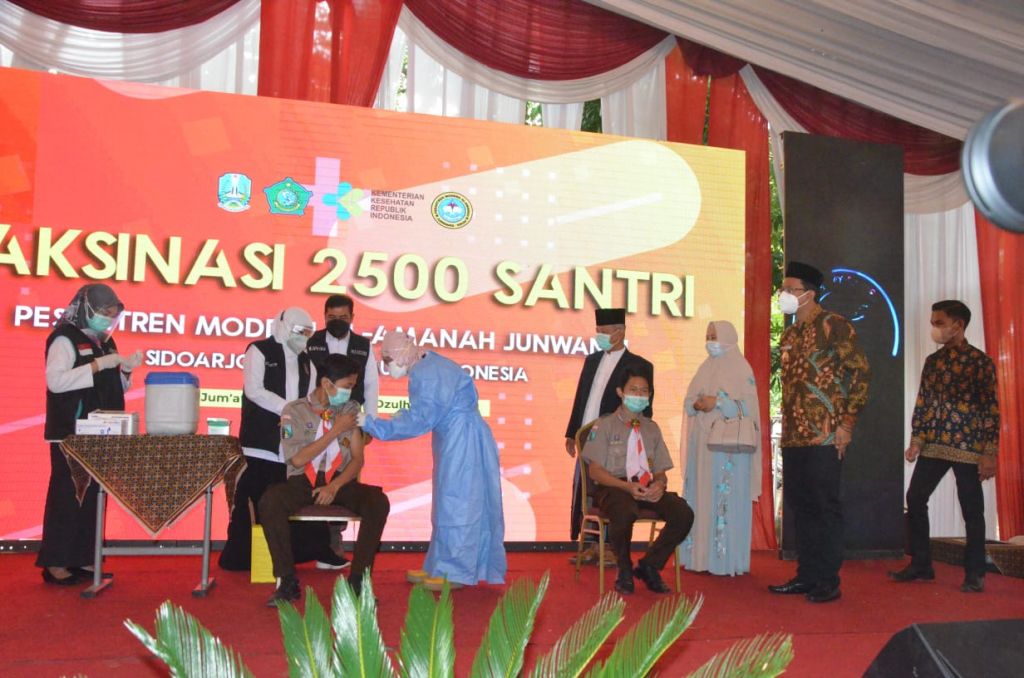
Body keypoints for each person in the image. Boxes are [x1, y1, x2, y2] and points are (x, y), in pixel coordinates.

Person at [360, 331, 506, 590]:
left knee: (458, 503)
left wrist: (373, 425)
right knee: (446, 503)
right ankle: (438, 565)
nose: (386, 366)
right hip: (456, 437)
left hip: (463, 439)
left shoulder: (427, 373)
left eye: (388, 360)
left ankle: (455, 572)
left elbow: (419, 419)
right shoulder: (427, 365)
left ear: (402, 354)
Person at [769, 261, 870, 604]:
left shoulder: (834, 325)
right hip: (793, 434)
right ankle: (807, 575)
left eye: (790, 289)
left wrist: (847, 424)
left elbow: (860, 373)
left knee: (824, 506)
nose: (783, 294)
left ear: (809, 293)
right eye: (783, 289)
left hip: (825, 433)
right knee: (801, 507)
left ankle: (828, 580)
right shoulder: (789, 334)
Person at [219, 307, 344, 572]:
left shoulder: (307, 361)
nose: (304, 338)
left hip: (294, 445)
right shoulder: (259, 350)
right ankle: (241, 559)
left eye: (308, 333)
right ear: (284, 327)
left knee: (299, 498)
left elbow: (311, 398)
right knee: (254, 499)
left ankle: (316, 552)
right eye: (300, 332)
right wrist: (288, 410)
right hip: (262, 442)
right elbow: (254, 390)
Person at [260, 355, 390, 605]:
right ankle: (286, 581)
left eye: (353, 386)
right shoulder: (294, 411)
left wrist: (334, 486)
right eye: (347, 386)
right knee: (271, 501)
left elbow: (357, 459)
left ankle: (358, 582)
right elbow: (298, 459)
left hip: (340, 480)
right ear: (327, 383)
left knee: (377, 501)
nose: (350, 391)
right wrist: (335, 430)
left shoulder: (350, 410)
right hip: (302, 481)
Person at [889, 300, 999, 593]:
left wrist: (989, 453)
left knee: (972, 510)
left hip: (968, 447)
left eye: (939, 323)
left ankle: (975, 573)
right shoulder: (933, 362)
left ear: (958, 325)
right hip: (935, 444)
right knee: (915, 497)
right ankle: (921, 564)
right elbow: (924, 402)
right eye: (933, 323)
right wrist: (916, 440)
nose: (934, 328)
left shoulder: (981, 363)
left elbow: (990, 409)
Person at [38, 284, 142, 585]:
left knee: (93, 499)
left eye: (112, 314)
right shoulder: (64, 338)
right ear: (86, 309)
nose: (108, 318)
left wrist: (125, 371)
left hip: (102, 432)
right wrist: (97, 365)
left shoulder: (105, 342)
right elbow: (56, 382)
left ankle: (84, 558)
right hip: (70, 433)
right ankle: (56, 563)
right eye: (104, 312)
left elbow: (114, 388)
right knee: (67, 498)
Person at [581, 366, 694, 594]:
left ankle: (650, 565)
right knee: (624, 511)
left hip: (645, 485)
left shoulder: (652, 428)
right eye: (634, 390)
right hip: (614, 486)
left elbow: (660, 470)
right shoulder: (603, 426)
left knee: (683, 512)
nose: (639, 395)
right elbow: (595, 471)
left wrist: (659, 484)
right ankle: (624, 570)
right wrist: (626, 486)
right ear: (620, 392)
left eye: (644, 391)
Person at [565, 307, 654, 566]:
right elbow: (581, 398)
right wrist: (571, 433)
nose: (600, 336)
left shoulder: (638, 365)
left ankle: (612, 549)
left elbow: (645, 407)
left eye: (605, 332)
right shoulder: (592, 360)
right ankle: (591, 546)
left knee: (612, 492)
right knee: (587, 492)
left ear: (620, 332)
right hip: (587, 438)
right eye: (598, 331)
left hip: (618, 441)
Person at [681, 320, 761, 576]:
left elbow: (749, 408)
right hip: (702, 447)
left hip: (728, 450)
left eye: (714, 336)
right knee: (702, 496)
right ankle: (700, 557)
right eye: (708, 336)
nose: (710, 341)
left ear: (728, 336)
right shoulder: (705, 367)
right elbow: (689, 401)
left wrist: (718, 402)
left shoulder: (741, 367)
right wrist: (696, 404)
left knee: (724, 499)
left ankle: (725, 560)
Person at [305, 294, 379, 416]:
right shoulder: (311, 341)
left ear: (351, 317)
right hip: (315, 412)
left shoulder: (363, 345)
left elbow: (370, 384)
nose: (337, 321)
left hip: (351, 413)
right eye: (332, 317)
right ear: (325, 316)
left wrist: (371, 420)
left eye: (343, 317)